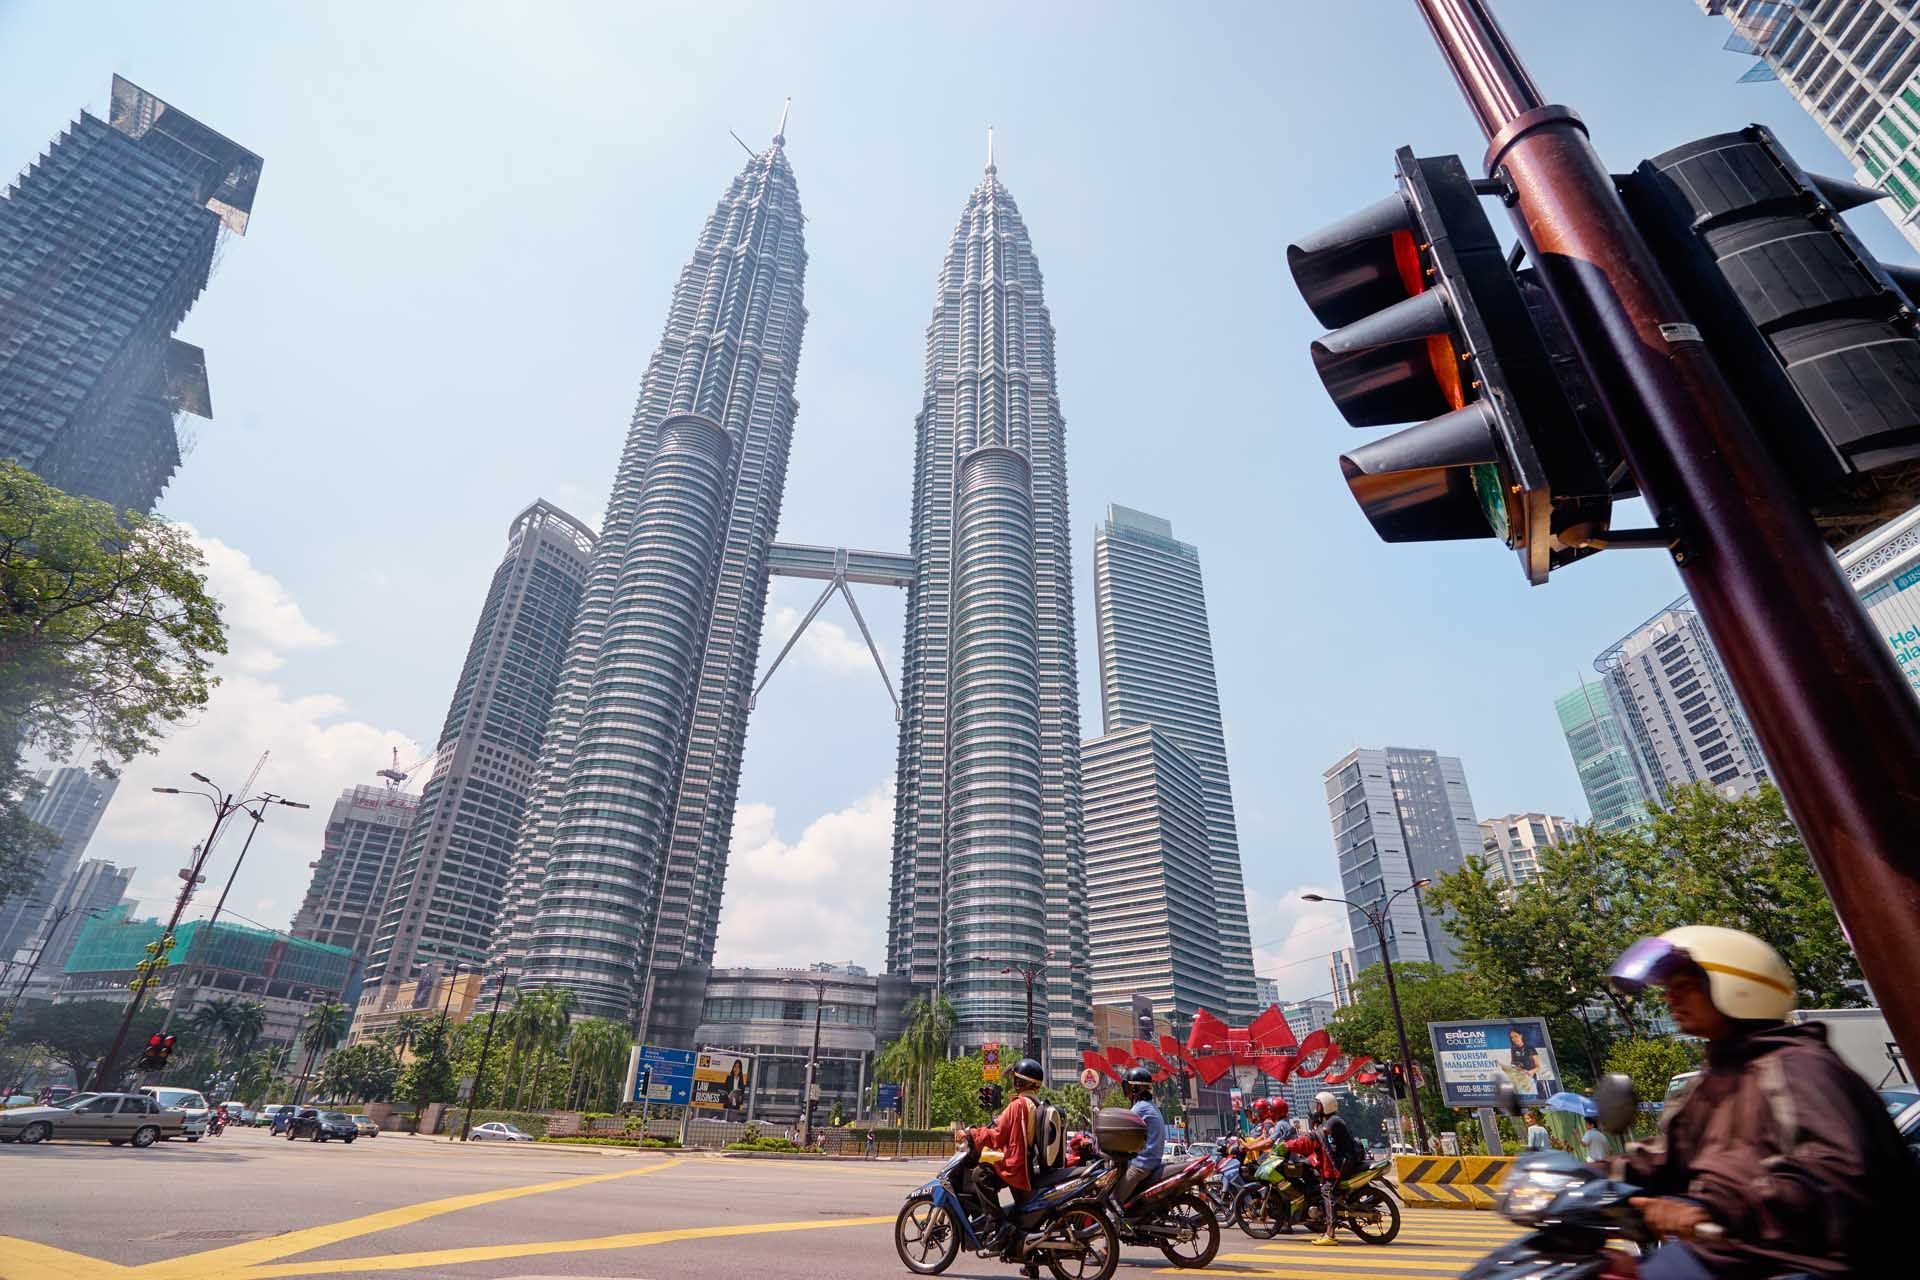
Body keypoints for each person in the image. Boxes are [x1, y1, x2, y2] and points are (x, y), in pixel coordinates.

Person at [1609, 925, 1914, 1278]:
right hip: (1728, 1255)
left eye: (1685, 987)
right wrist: (1585, 1179)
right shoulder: (1712, 1082)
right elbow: (1662, 1156)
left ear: (1737, 986)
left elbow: (1834, 1174)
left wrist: (1713, 1210)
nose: (1670, 999)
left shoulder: (1798, 1067)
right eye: (1668, 990)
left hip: (1805, 1265)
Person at [965, 1056, 1045, 1253]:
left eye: (1015, 1078)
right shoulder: (1035, 1102)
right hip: (1029, 1160)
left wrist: (972, 1134)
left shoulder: (1018, 1105)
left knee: (980, 1174)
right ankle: (1029, 1260)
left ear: (1019, 1082)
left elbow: (999, 1135)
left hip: (1019, 1163)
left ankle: (997, 1224)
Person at [1116, 1065, 1166, 1204]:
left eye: (1127, 1087)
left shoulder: (1140, 1108)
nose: (1126, 1092)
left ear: (1135, 1088)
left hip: (1142, 1164)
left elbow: (1122, 1129)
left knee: (1115, 1200)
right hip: (1152, 1160)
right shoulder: (1150, 1106)